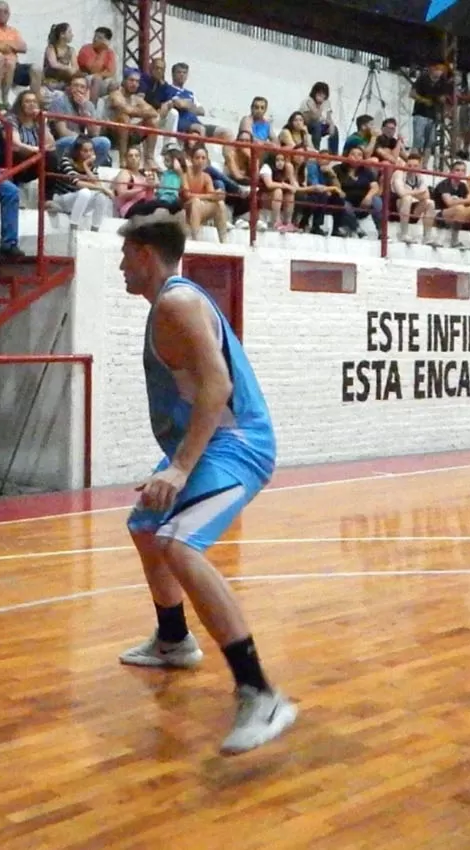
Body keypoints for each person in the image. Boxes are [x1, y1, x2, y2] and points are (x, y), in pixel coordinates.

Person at [114, 211, 297, 755]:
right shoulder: (170, 303)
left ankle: (260, 692)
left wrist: (179, 467)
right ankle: (173, 639)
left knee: (178, 542)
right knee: (146, 525)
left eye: (126, 255)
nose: (121, 266)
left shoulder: (176, 302)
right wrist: (172, 464)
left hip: (240, 447)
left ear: (145, 254)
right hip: (214, 445)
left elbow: (217, 384)